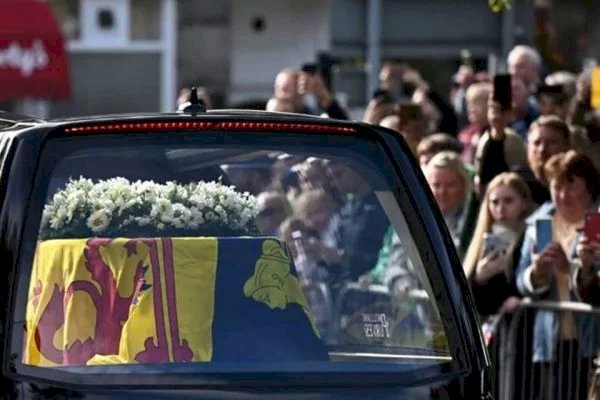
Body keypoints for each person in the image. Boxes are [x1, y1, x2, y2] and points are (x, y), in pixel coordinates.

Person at [516, 150, 600, 400]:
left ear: (589, 189)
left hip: (590, 339)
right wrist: (537, 273)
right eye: (556, 186)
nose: (563, 195)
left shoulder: (596, 222)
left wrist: (570, 267)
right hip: (550, 341)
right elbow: (521, 280)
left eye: (571, 186)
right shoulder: (540, 223)